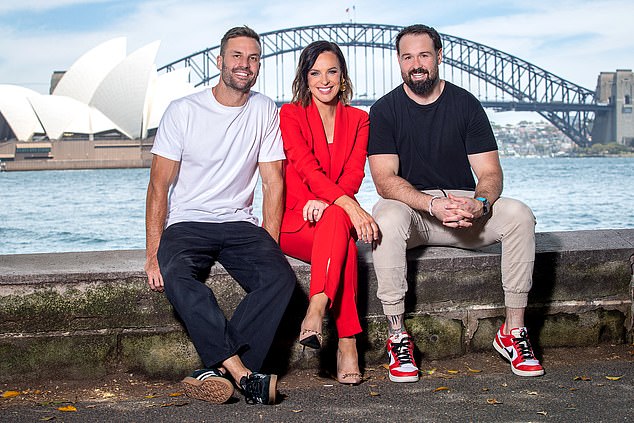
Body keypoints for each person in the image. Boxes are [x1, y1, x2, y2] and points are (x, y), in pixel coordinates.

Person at [367, 24, 545, 383]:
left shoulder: (465, 104)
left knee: (519, 214)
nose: (416, 64)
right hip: (417, 214)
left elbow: (491, 173)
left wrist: (480, 202)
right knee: (386, 216)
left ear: (439, 57)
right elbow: (385, 180)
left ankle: (513, 331)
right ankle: (397, 336)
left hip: (465, 214)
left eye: (424, 55)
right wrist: (431, 204)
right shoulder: (385, 110)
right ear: (399, 62)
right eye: (407, 57)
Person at [144, 26, 295, 405]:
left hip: (239, 223)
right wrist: (152, 253)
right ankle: (244, 374)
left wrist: (270, 245)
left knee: (279, 278)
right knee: (176, 274)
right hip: (188, 222)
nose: (245, 64)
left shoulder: (264, 109)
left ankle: (212, 370)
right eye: (237, 56)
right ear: (220, 61)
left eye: (253, 57)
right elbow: (159, 187)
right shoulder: (183, 111)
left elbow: (273, 183)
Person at [278, 41, 379, 385]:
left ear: (343, 76)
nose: (325, 80)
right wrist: (347, 204)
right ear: (305, 79)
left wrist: (336, 203)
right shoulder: (290, 114)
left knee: (340, 231)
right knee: (346, 241)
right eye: (315, 73)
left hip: (331, 217)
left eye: (332, 71)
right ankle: (348, 342)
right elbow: (303, 165)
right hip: (295, 221)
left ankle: (316, 310)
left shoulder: (359, 119)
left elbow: (353, 174)